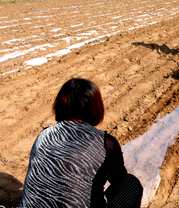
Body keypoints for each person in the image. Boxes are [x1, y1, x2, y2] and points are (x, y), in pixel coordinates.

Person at [20, 78, 143, 208]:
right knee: (131, 184)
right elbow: (119, 182)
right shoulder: (106, 143)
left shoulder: (43, 135)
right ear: (96, 107)